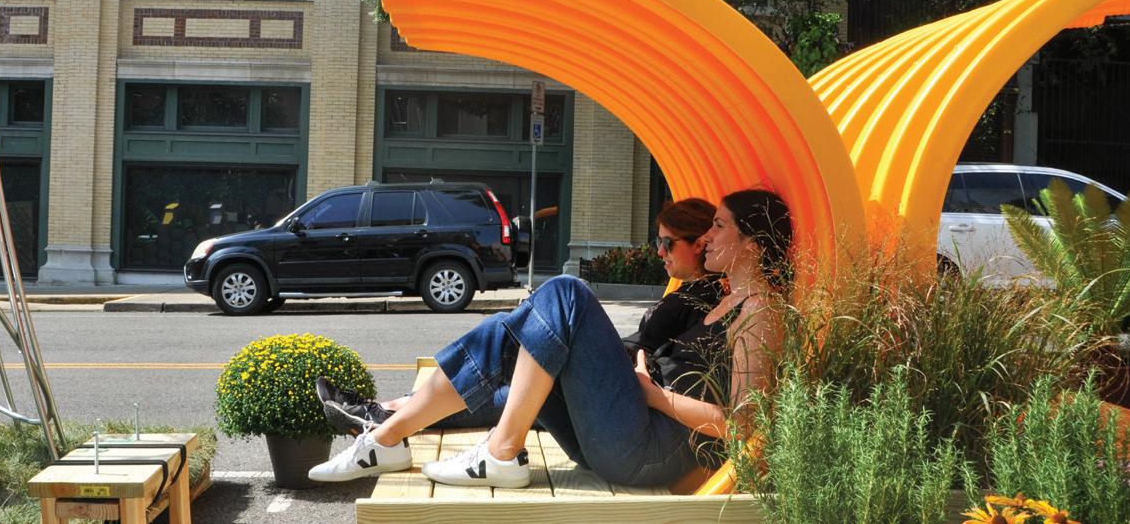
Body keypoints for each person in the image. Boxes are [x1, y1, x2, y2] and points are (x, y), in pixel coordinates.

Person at [309, 189, 792, 489]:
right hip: (625, 431)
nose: (708, 237)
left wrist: (653, 395)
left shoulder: (761, 314)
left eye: (719, 226)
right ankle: (387, 436)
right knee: (517, 329)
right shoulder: (727, 300)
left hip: (648, 449)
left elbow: (742, 427)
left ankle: (488, 450)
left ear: (751, 243)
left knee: (566, 293)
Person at [317, 197, 726, 434]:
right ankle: (384, 412)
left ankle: (384, 415)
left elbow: (652, 357)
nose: (659, 252)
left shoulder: (700, 296)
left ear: (700, 244)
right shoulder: (691, 293)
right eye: (657, 242)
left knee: (510, 352)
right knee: (506, 364)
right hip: (613, 382)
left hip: (617, 391)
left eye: (668, 243)